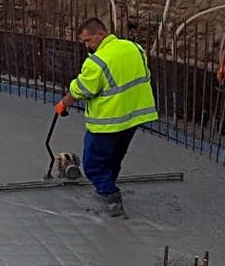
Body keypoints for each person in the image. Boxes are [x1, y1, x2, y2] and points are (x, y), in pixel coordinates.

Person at [56, 17, 158, 218]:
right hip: (134, 118)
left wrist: (63, 103)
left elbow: (81, 90)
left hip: (108, 122)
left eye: (88, 40)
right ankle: (108, 184)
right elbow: (143, 76)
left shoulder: (97, 61)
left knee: (93, 165)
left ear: (101, 34)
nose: (86, 46)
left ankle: (111, 194)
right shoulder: (135, 48)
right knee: (114, 158)